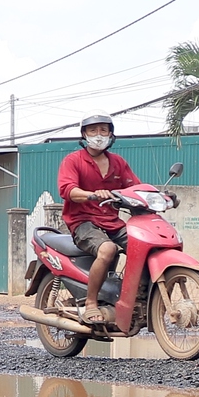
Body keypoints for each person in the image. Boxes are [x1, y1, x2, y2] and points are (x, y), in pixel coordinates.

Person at [56, 113, 138, 327]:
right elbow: (67, 190)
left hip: (112, 222)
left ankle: (136, 295)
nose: (99, 135)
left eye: (103, 130)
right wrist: (91, 194)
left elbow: (135, 187)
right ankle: (91, 302)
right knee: (107, 249)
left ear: (111, 134)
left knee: (143, 244)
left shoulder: (118, 162)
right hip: (82, 221)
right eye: (93, 130)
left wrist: (160, 196)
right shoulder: (73, 160)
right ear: (84, 134)